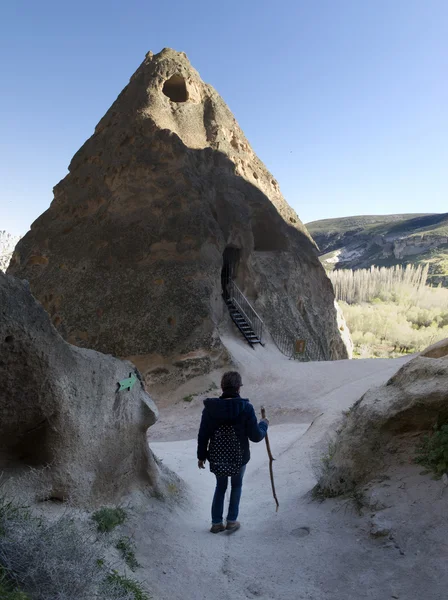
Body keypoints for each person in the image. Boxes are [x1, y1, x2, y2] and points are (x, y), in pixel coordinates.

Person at [197, 371, 269, 533]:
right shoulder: (246, 408)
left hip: (217, 457)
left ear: (222, 387)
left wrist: (201, 457)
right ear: (238, 388)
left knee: (220, 486)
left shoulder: (210, 409)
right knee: (236, 486)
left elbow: (203, 435)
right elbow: (256, 436)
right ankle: (231, 521)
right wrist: (264, 424)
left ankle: (216, 523)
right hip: (239, 457)